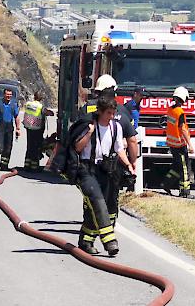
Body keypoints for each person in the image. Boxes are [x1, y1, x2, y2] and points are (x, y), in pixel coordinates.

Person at [74, 95, 135, 256]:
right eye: (108, 113)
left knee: (106, 206)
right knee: (97, 203)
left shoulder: (116, 127)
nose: (112, 117)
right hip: (88, 170)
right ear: (100, 111)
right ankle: (110, 241)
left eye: (113, 113)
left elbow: (119, 149)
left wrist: (128, 164)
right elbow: (78, 148)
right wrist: (89, 134)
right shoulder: (89, 125)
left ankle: (86, 240)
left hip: (107, 170)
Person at [81, 74, 138, 225]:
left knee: (92, 199)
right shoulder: (122, 111)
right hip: (113, 166)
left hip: (90, 165)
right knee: (112, 197)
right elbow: (132, 141)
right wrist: (132, 163)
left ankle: (93, 225)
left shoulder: (87, 108)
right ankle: (108, 226)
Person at [162, 86, 195, 199]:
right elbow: (183, 129)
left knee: (177, 167)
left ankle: (166, 183)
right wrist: (190, 144)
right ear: (183, 98)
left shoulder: (170, 109)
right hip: (180, 145)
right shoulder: (180, 112)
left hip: (172, 144)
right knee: (185, 168)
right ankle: (185, 192)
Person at [0, 88, 20, 171]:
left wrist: (18, 128)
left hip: (9, 128)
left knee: (8, 148)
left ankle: (4, 166)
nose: (8, 96)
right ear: (4, 95)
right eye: (7, 94)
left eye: (10, 94)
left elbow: (16, 117)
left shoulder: (13, 104)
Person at [23, 90, 53, 172]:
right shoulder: (40, 107)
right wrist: (51, 112)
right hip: (37, 129)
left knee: (29, 146)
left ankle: (26, 165)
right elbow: (49, 113)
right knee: (36, 148)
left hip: (29, 128)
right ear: (41, 98)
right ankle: (34, 167)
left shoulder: (28, 104)